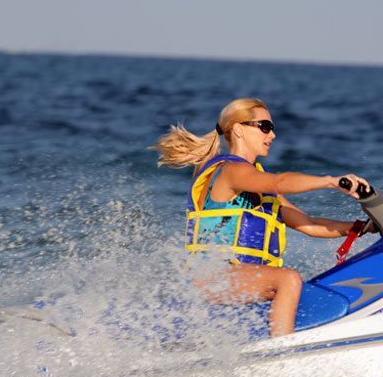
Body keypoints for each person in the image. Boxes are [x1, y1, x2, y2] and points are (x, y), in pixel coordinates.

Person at [152, 98, 370, 337]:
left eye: (272, 128)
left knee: (297, 285)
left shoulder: (262, 189)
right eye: (265, 127)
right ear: (238, 129)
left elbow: (310, 225)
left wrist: (364, 227)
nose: (272, 135)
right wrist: (330, 181)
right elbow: (280, 181)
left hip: (238, 278)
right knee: (288, 279)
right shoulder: (231, 171)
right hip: (212, 277)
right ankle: (282, 351)